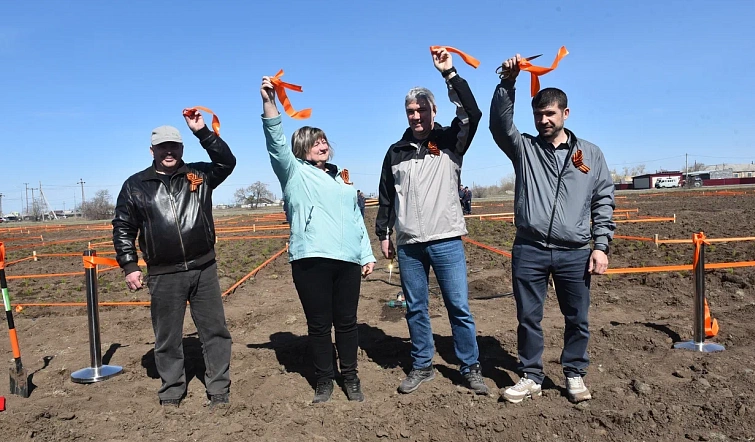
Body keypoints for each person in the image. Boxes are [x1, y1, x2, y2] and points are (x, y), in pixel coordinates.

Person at [489, 54, 615, 404]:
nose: (544, 120)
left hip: (574, 251)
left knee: (578, 317)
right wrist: (508, 83)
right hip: (529, 247)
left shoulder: (590, 154)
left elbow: (603, 199)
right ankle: (531, 375)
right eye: (539, 115)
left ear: (565, 114)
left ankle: (574, 373)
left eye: (550, 114)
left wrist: (601, 245)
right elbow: (500, 125)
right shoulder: (525, 149)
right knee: (528, 317)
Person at [375, 47, 488, 395]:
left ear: (434, 110)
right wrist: (383, 233)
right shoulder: (396, 151)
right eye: (411, 111)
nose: (416, 115)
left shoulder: (450, 140)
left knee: (459, 307)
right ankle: (422, 365)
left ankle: (470, 367)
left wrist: (449, 73)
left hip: (446, 239)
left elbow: (473, 111)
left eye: (422, 109)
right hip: (409, 244)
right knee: (416, 309)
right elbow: (386, 197)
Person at [259, 75, 376, 403]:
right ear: (301, 149)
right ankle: (324, 380)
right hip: (311, 259)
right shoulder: (293, 171)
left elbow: (356, 217)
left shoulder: (344, 176)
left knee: (348, 323)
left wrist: (365, 254)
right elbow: (275, 141)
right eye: (315, 142)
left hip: (348, 260)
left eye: (324, 141)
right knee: (320, 324)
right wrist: (269, 101)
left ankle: (350, 376)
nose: (323, 145)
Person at [112, 110, 236, 408]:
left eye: (175, 146)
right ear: (152, 150)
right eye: (163, 147)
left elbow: (226, 162)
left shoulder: (198, 175)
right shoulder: (136, 185)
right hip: (164, 273)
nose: (169, 151)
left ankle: (218, 386)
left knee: (215, 331)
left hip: (203, 267)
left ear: (182, 148)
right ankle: (172, 389)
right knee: (167, 336)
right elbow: (123, 227)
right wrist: (129, 265)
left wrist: (202, 132)